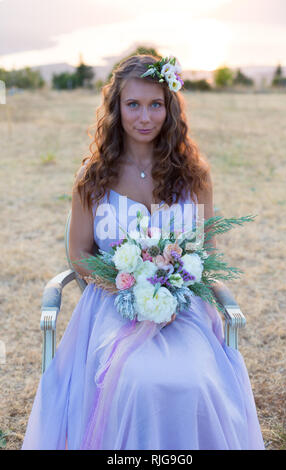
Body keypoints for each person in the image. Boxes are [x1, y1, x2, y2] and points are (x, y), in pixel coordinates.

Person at [21, 54, 265, 450]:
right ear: (116, 108)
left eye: (156, 104)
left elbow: (207, 252)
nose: (145, 116)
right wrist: (128, 284)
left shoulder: (195, 175)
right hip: (111, 306)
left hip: (184, 308)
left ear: (170, 109)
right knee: (135, 378)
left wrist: (172, 284)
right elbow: (80, 252)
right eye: (133, 104)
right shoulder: (93, 177)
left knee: (194, 380)